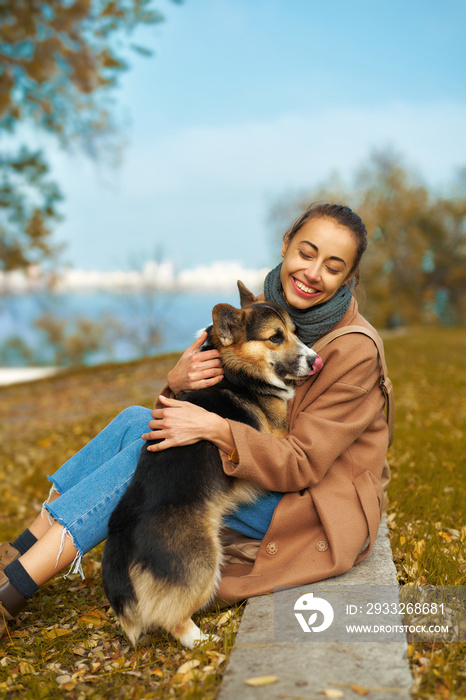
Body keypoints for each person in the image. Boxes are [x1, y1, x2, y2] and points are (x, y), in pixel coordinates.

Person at [0, 202, 391, 637]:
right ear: (286, 246)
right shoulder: (261, 315)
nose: (314, 272)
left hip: (311, 506)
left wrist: (214, 429)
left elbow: (302, 462)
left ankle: (11, 592)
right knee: (137, 421)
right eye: (306, 252)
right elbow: (196, 406)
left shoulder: (356, 350)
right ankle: (17, 552)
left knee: (146, 454)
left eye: (333, 266)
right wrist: (175, 381)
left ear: (349, 279)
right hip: (257, 471)